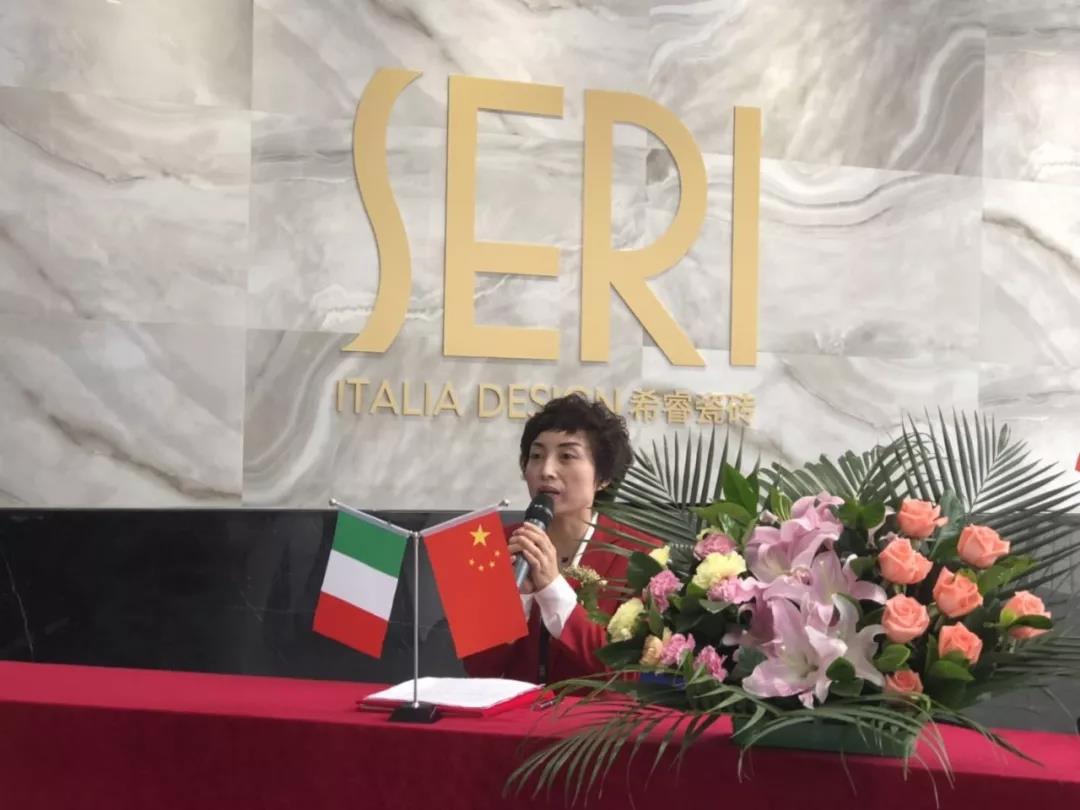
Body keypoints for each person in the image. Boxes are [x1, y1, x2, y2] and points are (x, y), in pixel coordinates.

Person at [463, 394, 656, 683]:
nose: (546, 471)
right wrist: (518, 599)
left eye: (566, 456)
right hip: (512, 710)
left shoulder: (642, 556)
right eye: (536, 456)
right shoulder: (488, 545)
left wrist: (553, 589)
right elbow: (477, 668)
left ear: (603, 477)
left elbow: (628, 675)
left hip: (595, 714)